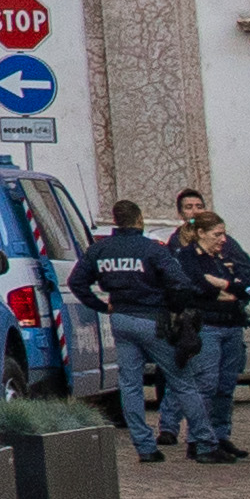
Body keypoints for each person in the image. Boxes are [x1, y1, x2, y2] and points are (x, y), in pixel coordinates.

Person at [77, 196, 178, 459]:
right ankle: (203, 440)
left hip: (119, 318)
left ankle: (144, 446)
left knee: (130, 384)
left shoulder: (101, 249)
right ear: (139, 219)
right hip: (152, 318)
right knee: (181, 378)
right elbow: (178, 281)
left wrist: (101, 306)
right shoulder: (151, 249)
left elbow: (76, 282)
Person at [159, 208, 250, 461]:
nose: (223, 239)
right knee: (205, 384)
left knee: (226, 386)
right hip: (207, 326)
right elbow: (196, 287)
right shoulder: (187, 257)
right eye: (217, 234)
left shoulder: (223, 257)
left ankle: (220, 435)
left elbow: (247, 285)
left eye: (224, 234)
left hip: (232, 325)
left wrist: (223, 285)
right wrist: (221, 291)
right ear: (200, 233)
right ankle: (200, 440)